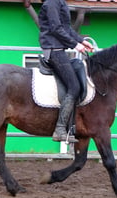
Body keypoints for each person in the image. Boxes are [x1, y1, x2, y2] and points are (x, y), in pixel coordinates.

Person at [38, 0, 94, 143]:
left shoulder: (58, 2)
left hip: (58, 49)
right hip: (53, 49)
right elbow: (56, 28)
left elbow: (66, 29)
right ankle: (60, 129)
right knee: (74, 87)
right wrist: (75, 45)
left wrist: (81, 41)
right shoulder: (51, 3)